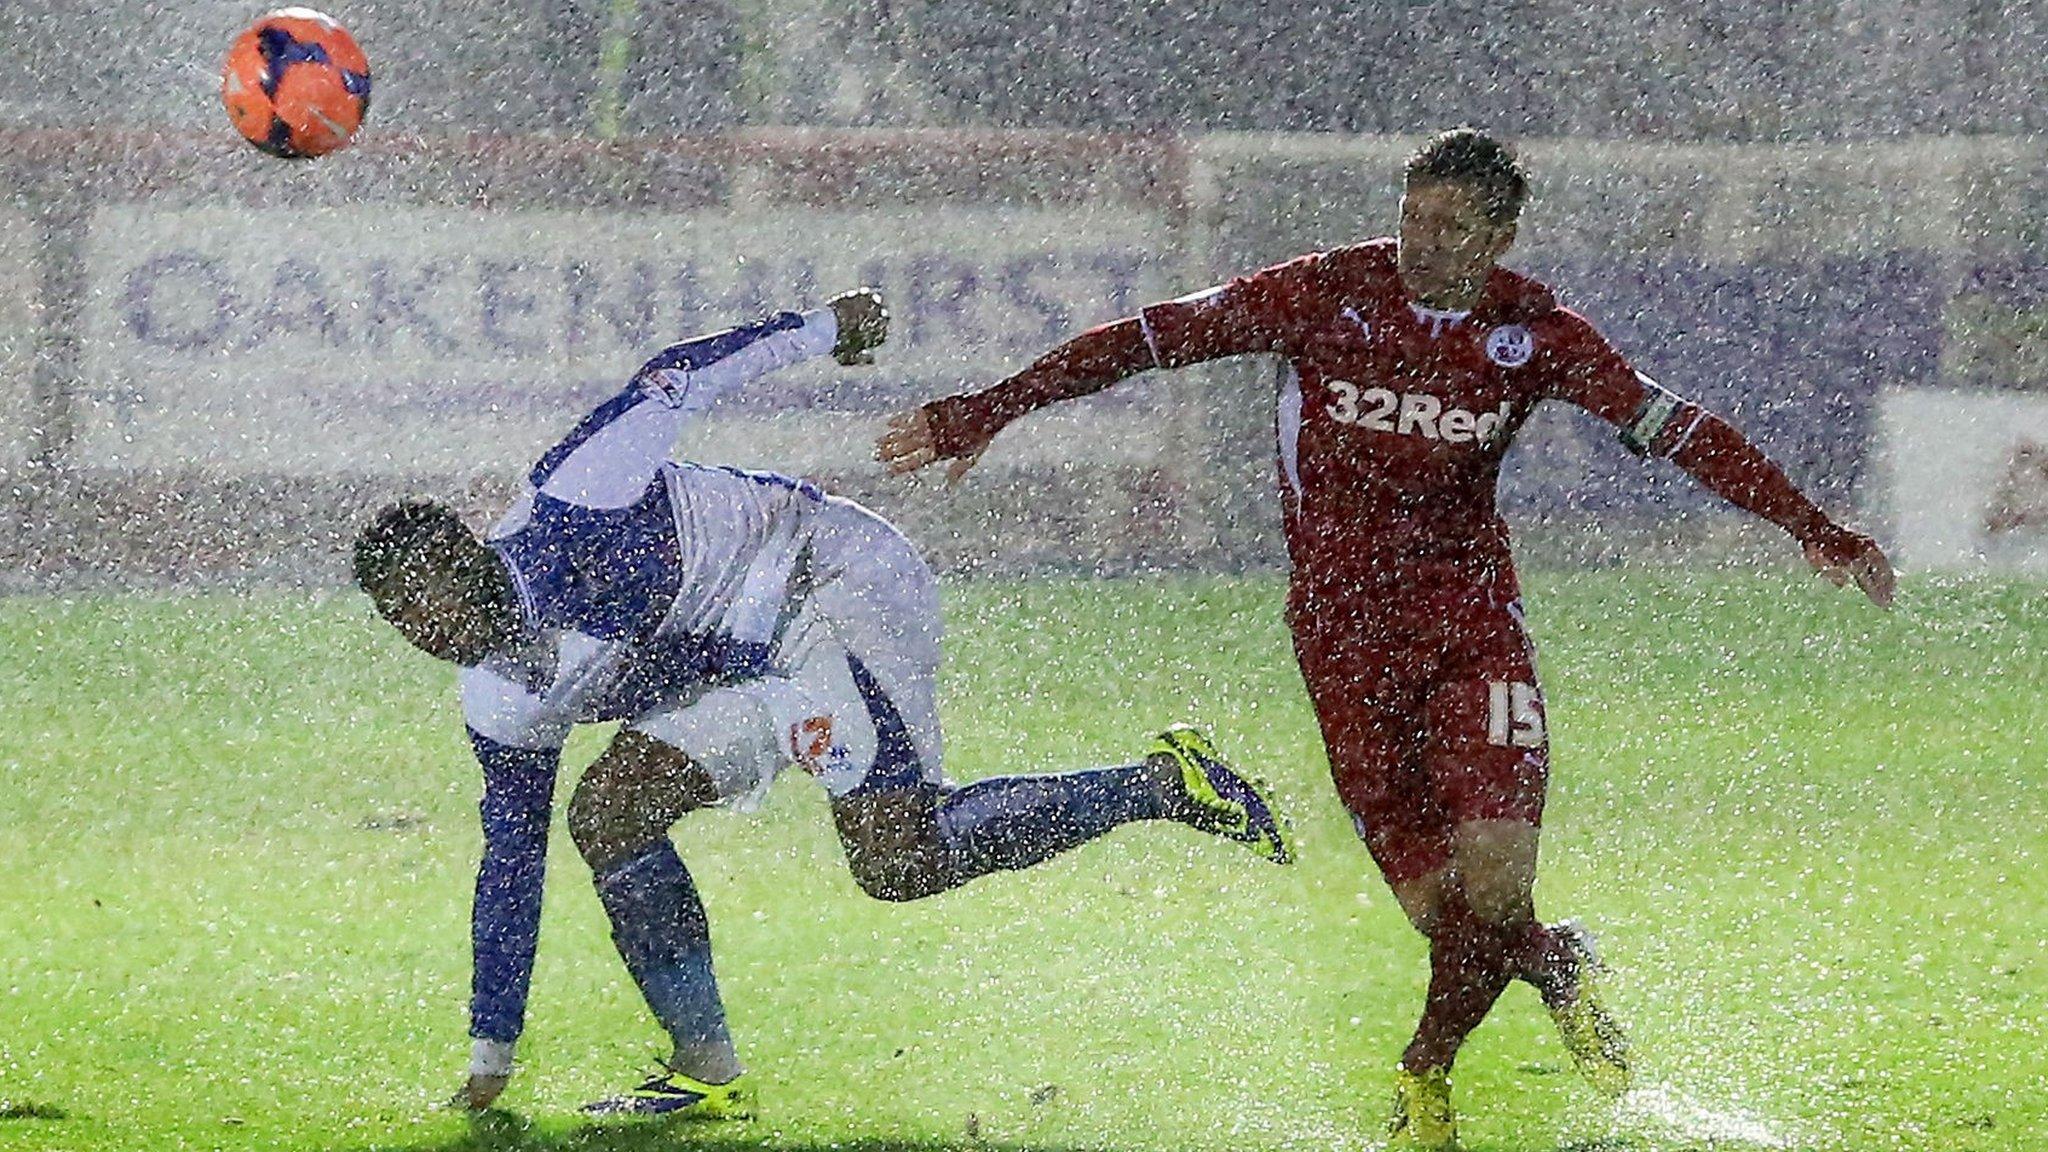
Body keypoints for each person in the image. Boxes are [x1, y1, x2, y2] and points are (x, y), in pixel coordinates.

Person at [877, 129, 1895, 1150]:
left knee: (1494, 881)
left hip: (1469, 629)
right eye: (1410, 214)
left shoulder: (1534, 332)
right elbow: (1144, 339)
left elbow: (1676, 430)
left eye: (1448, 226)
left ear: (1498, 236)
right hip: (1340, 641)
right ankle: (1553, 967)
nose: (1418, 239)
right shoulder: (1322, 294)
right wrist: (988, 409)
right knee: (1444, 916)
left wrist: (1812, 526)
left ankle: (1422, 1076)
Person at [350, 288, 1293, 1119]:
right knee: (609, 812)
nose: (422, 626)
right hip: (752, 666)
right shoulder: (500, 701)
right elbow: (510, 866)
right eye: (398, 617)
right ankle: (705, 1069)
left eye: (427, 592)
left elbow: (675, 379)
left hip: (827, 581)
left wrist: (819, 329)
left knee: (899, 863)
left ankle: (1159, 785)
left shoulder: (572, 500)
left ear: (470, 557)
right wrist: (490, 1053)